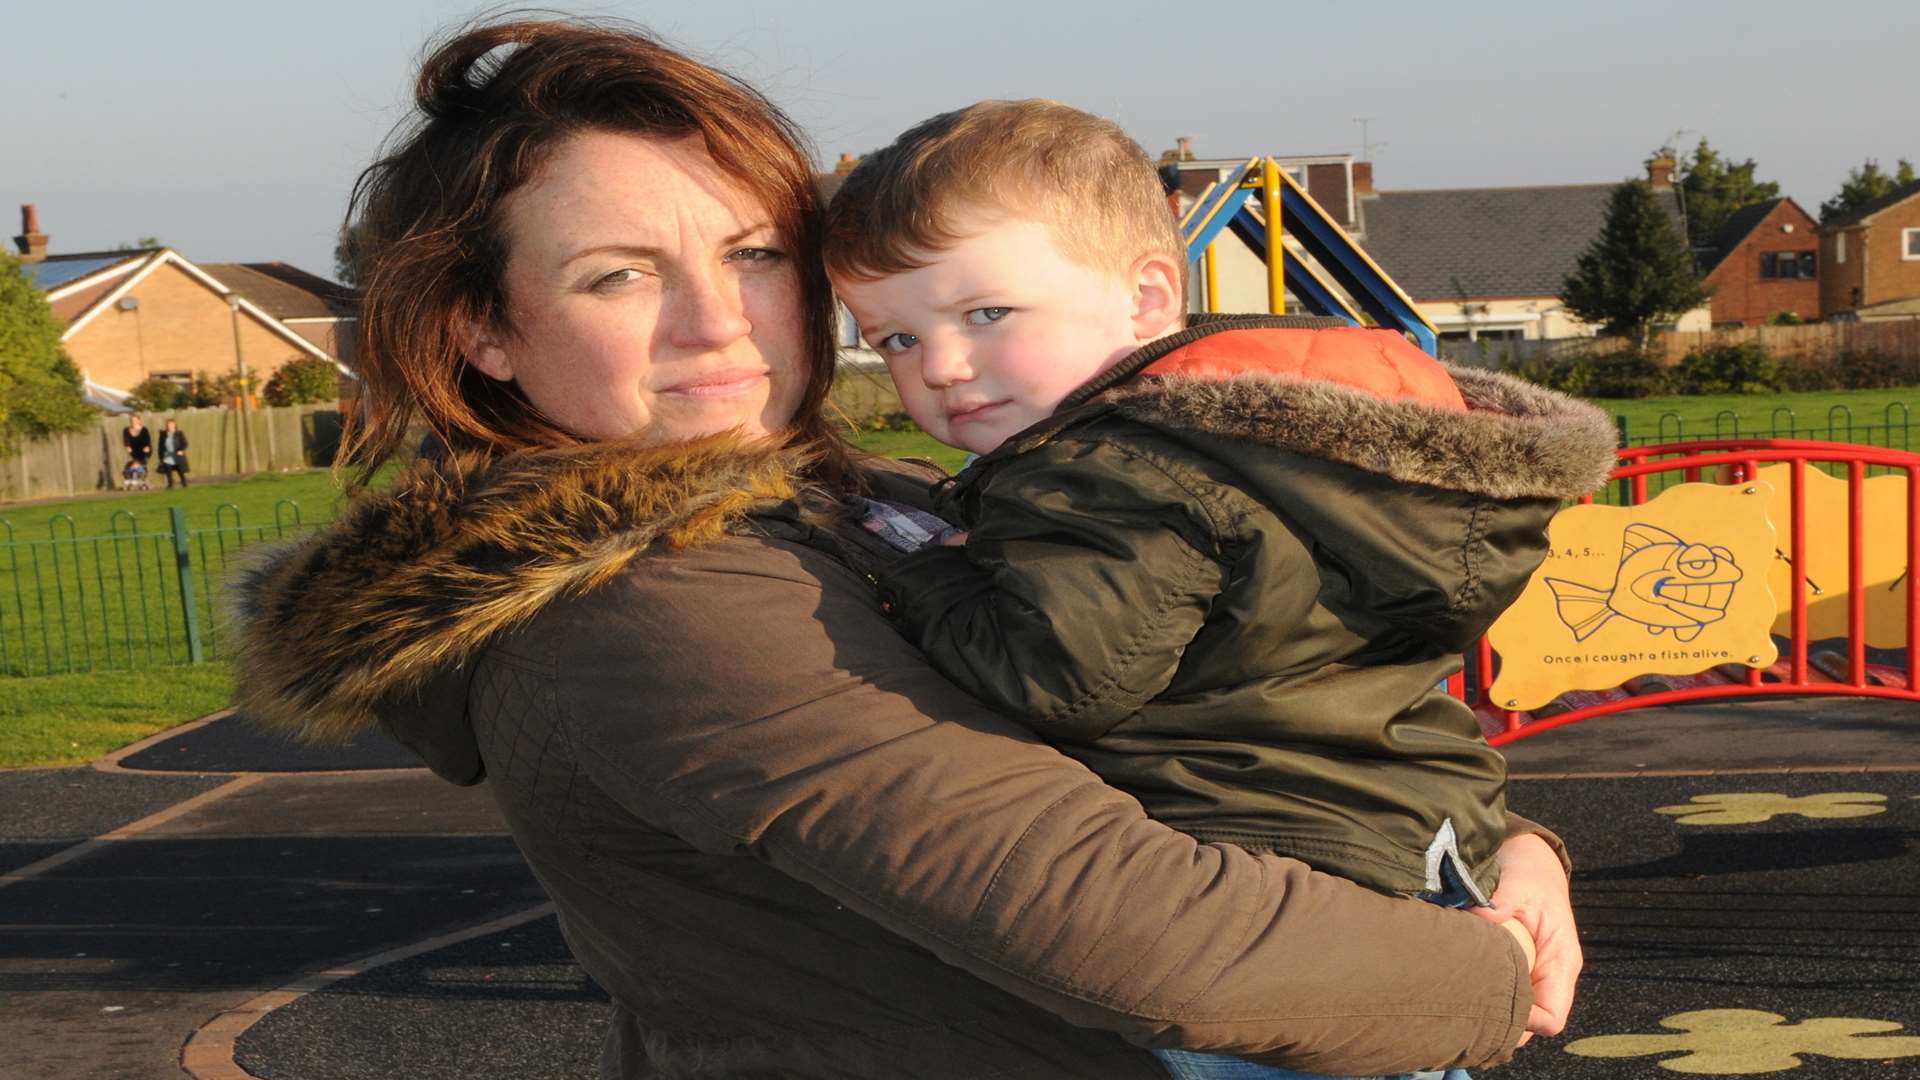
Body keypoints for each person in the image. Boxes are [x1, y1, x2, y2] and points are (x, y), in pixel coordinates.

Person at [230, 19, 1580, 1079]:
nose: (721, 320)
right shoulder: (656, 599)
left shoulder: (852, 496)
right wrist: (1493, 973)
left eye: (756, 254)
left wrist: (1502, 846)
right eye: (619, 274)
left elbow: (1234, 706)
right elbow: (1146, 930)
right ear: (486, 333)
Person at [821, 100, 1617, 1080]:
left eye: (986, 313)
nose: (940, 366)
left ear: (1148, 299)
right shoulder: (1274, 458)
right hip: (1399, 853)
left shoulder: (1111, 474)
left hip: (1252, 890)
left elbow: (1058, 678)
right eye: (893, 339)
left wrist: (921, 569)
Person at [157, 418, 190, 488]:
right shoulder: (163, 434)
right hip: (167, 455)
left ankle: (184, 482)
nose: (170, 426)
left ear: (174, 425)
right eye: (168, 425)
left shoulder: (179, 433)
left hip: (176, 454)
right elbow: (160, 446)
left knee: (179, 469)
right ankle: (170, 484)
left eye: (171, 424)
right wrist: (160, 456)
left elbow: (185, 443)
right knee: (168, 468)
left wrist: (181, 450)